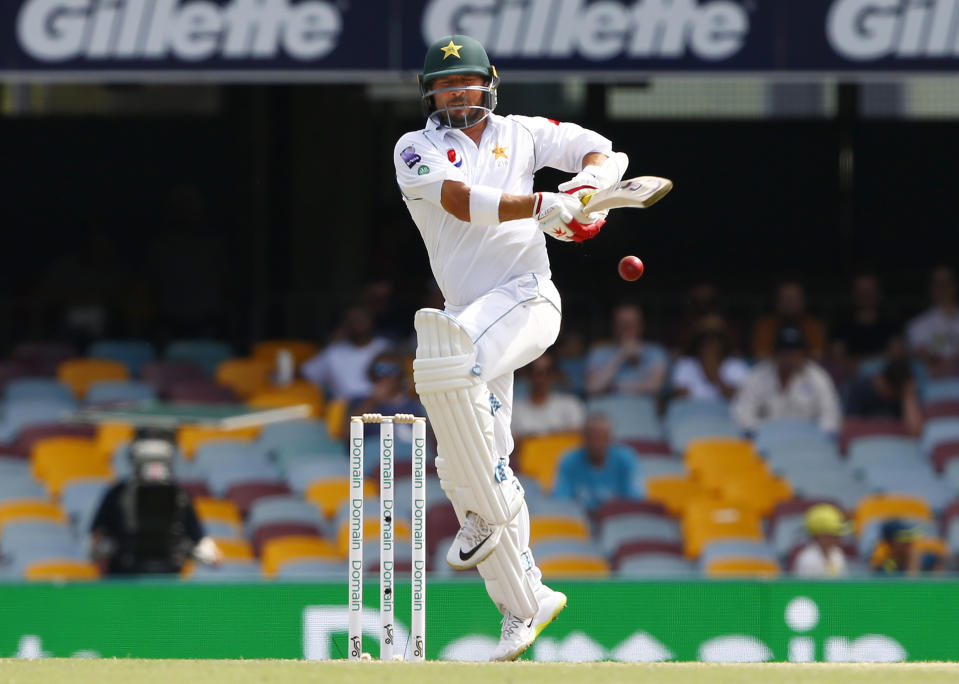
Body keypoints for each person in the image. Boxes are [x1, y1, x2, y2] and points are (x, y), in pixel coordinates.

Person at [393, 34, 659, 660]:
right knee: (462, 461)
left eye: (468, 83)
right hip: (474, 314)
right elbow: (461, 204)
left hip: (527, 299)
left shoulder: (526, 132)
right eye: (445, 86)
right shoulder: (417, 149)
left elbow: (603, 152)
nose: (458, 95)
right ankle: (525, 601)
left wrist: (586, 193)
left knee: (445, 358)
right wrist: (545, 203)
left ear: (490, 82)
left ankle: (493, 505)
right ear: (430, 94)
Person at [90, 435, 222, 575]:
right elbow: (98, 537)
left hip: (165, 579)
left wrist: (208, 554)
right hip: (125, 577)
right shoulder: (118, 494)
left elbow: (201, 541)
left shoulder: (179, 495)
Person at [732, 324, 842, 436]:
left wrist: (809, 435)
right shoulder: (758, 376)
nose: (790, 357)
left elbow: (831, 418)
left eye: (795, 351)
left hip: (806, 443)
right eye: (785, 351)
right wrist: (767, 432)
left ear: (804, 353)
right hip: (764, 442)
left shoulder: (818, 377)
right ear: (775, 353)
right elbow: (742, 414)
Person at [552, 413, 643, 513]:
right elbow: (560, 500)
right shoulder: (569, 461)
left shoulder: (626, 460)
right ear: (584, 438)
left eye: (601, 437)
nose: (596, 444)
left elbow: (636, 501)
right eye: (592, 437)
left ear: (610, 439)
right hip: (580, 520)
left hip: (617, 521)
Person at [301, 305, 391, 403]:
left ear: (371, 321)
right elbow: (305, 373)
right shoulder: (333, 352)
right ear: (345, 325)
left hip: (382, 405)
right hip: (345, 408)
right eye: (353, 320)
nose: (358, 323)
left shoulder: (385, 347)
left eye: (362, 318)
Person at [585, 303, 669, 398]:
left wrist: (614, 386)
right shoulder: (598, 352)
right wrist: (620, 356)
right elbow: (592, 388)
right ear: (614, 326)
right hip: (604, 410)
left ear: (641, 326)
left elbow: (654, 387)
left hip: (641, 409)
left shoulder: (656, 352)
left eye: (631, 323)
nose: (626, 328)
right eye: (621, 323)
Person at [669, 315, 750, 401]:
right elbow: (680, 400)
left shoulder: (736, 365)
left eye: (715, 338)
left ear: (724, 342)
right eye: (705, 338)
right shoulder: (686, 364)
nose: (710, 343)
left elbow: (741, 400)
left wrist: (716, 378)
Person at [511, 353, 586, 439]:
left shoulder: (571, 404)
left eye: (548, 371)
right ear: (527, 375)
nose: (542, 377)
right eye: (536, 372)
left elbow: (578, 439)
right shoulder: (514, 409)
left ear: (554, 374)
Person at [844, 357, 923, 436]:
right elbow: (850, 426)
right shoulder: (859, 388)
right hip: (867, 441)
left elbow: (916, 431)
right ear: (885, 382)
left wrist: (909, 395)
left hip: (895, 442)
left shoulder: (903, 393)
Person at [751, 280, 827, 360]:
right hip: (773, 368)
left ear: (802, 301)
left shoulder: (813, 325)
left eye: (793, 299)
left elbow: (818, 354)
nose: (789, 303)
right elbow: (760, 354)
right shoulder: (766, 325)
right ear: (777, 302)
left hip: (804, 367)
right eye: (785, 299)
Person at [906, 266, 959, 377]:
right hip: (936, 388)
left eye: (947, 282)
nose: (943, 287)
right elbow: (922, 357)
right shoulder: (917, 324)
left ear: (955, 286)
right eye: (938, 283)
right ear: (931, 288)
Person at [793, 504, 849, 578]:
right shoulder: (807, 560)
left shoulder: (837, 554)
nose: (839, 537)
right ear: (820, 535)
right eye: (833, 533)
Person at [872, 519, 944, 575]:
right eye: (904, 540)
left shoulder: (928, 560)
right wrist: (913, 565)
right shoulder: (884, 566)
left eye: (910, 539)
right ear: (890, 543)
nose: (909, 544)